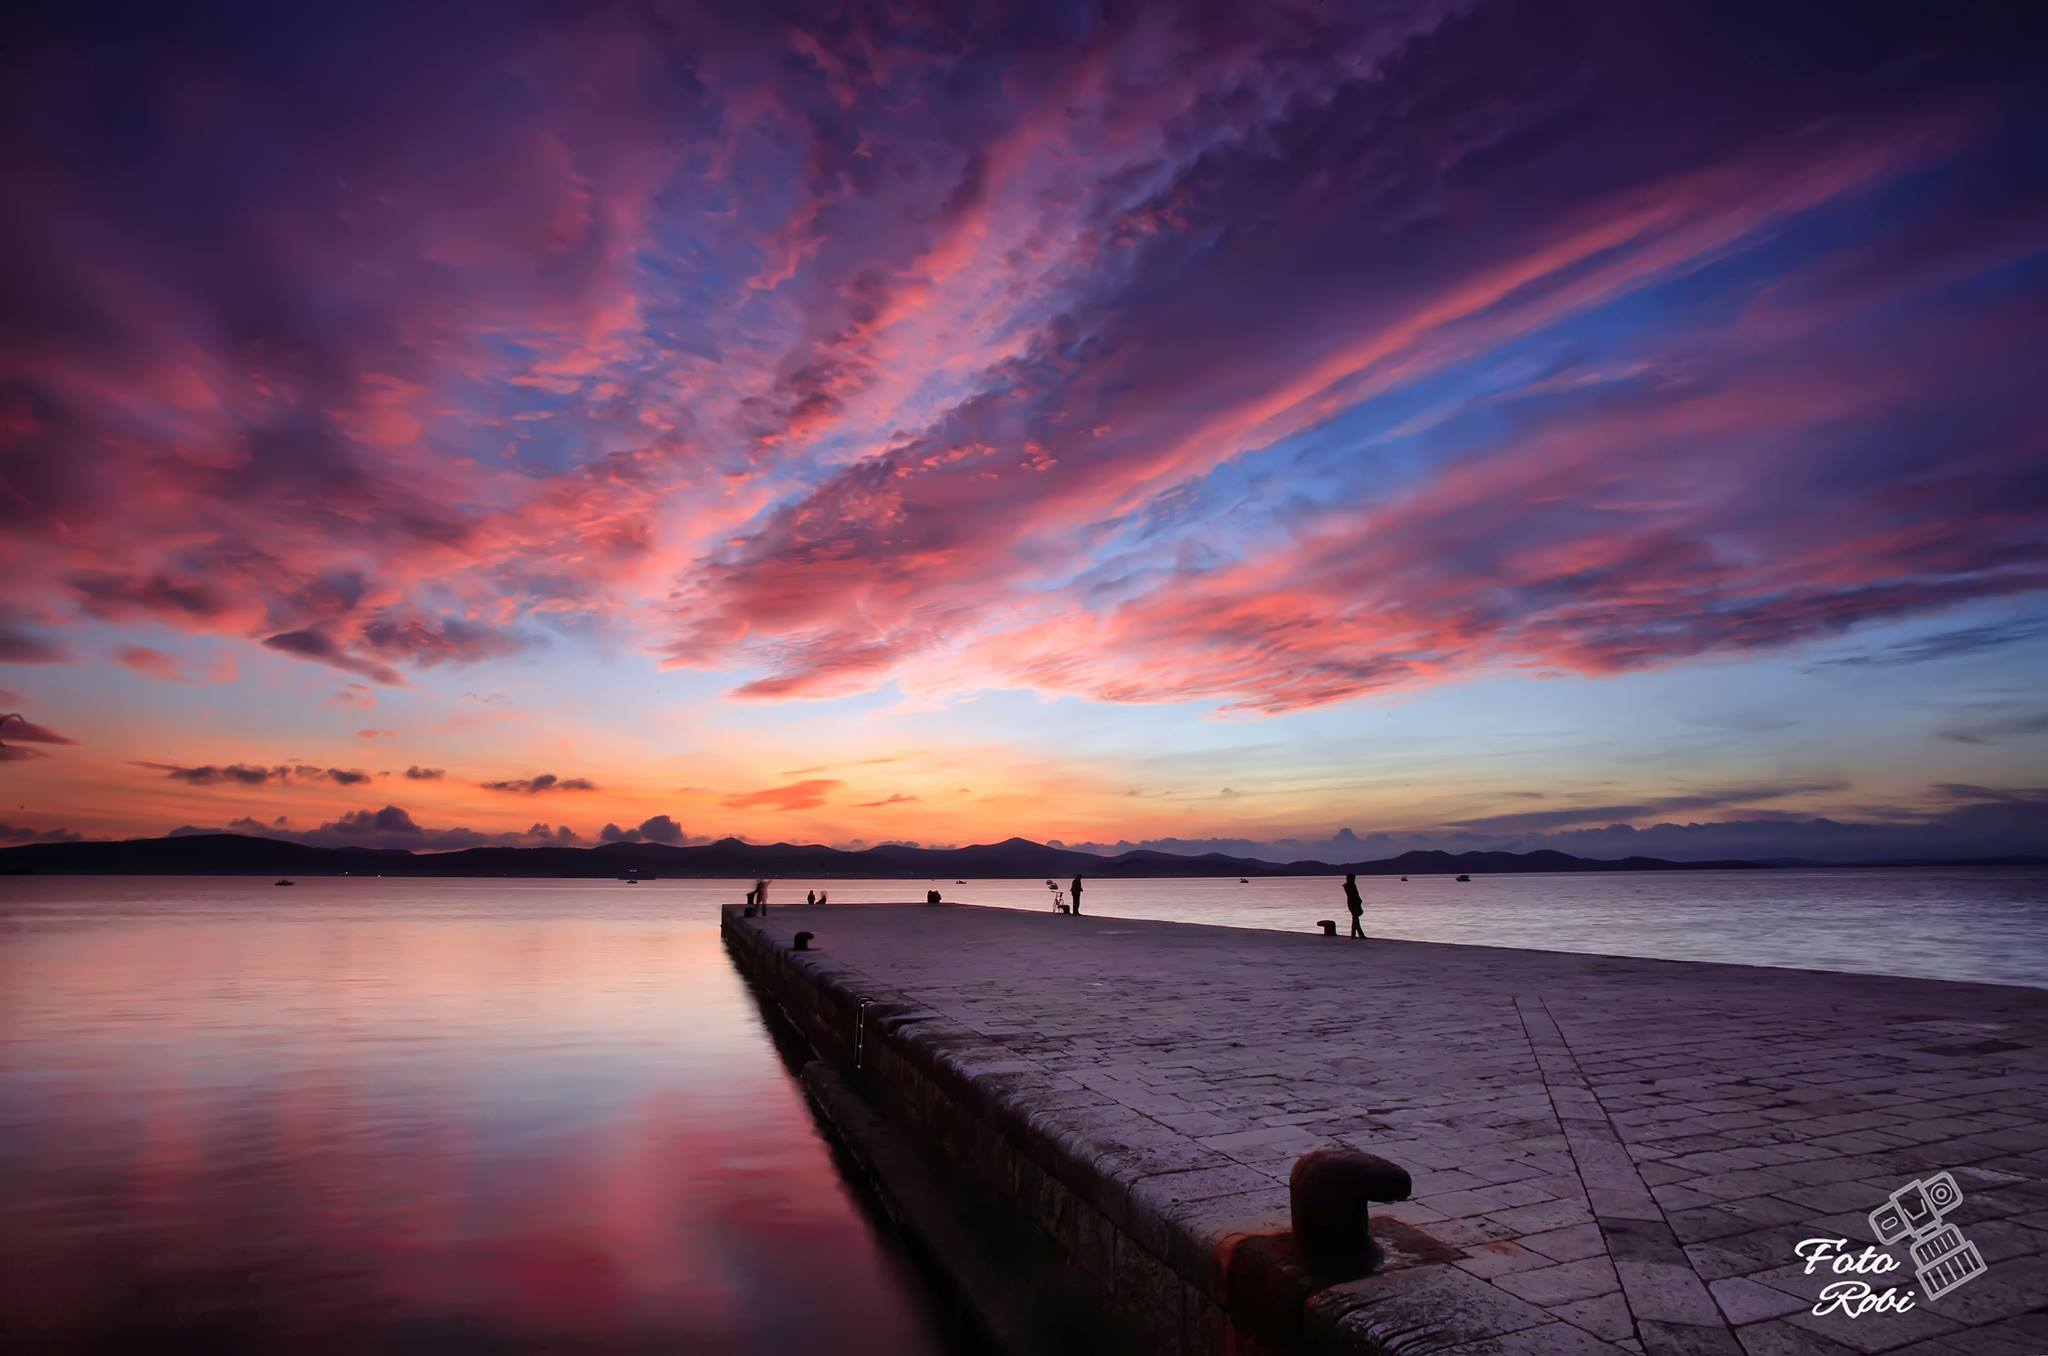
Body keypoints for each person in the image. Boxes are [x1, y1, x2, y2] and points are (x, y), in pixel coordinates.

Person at [1343, 873, 1365, 938]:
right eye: (1353, 878)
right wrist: (1358, 900)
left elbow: (1355, 894)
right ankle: (1355, 934)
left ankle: (1358, 934)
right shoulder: (1350, 886)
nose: (1354, 880)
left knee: (1355, 918)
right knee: (1355, 918)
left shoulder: (1350, 885)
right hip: (1353, 903)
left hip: (1353, 903)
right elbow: (1354, 895)